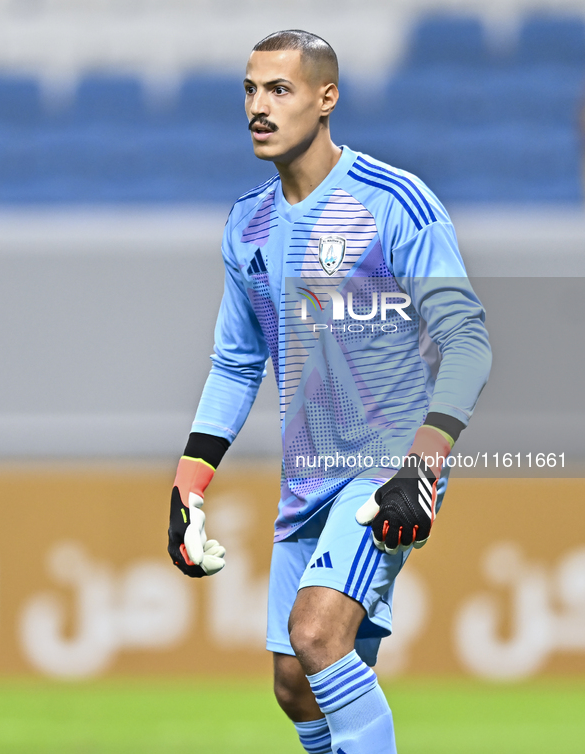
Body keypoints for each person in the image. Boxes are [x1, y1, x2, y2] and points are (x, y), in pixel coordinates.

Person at [167, 29, 491, 754]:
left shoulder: (394, 200)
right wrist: (189, 485)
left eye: (278, 90)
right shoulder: (246, 223)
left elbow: (466, 339)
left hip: (385, 466)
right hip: (304, 477)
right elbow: (234, 362)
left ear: (325, 97)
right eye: (249, 89)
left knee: (315, 633)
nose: (258, 106)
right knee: (294, 682)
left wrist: (424, 463)